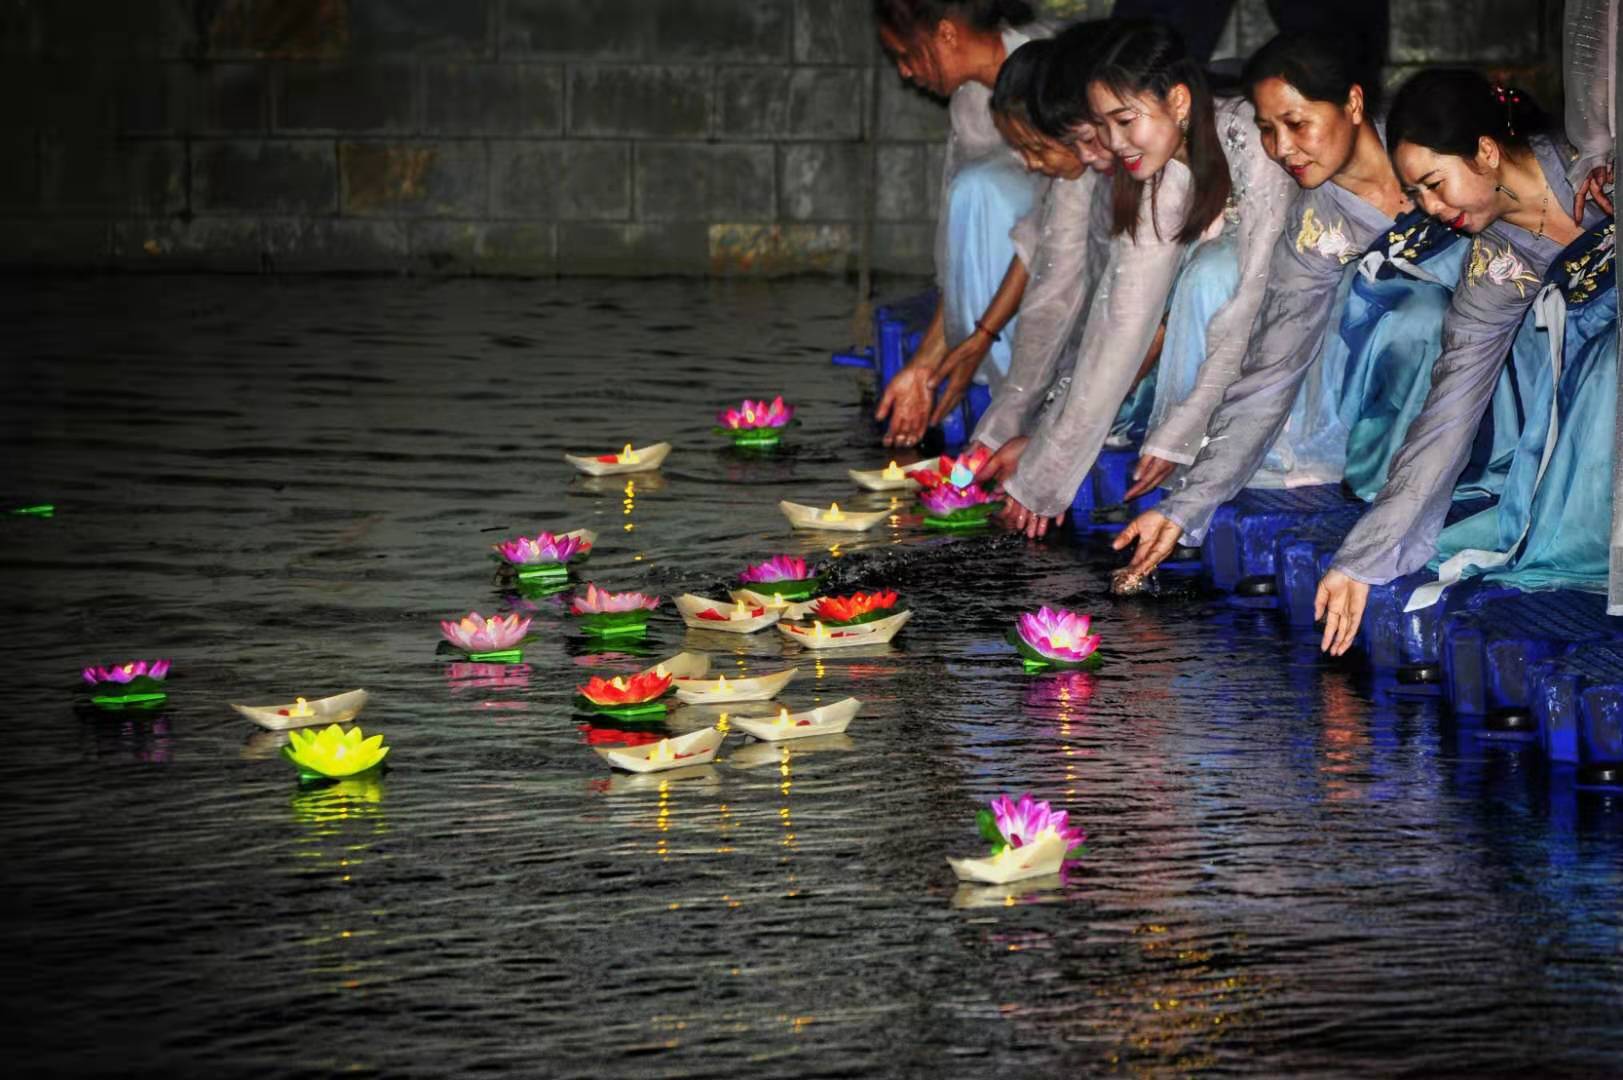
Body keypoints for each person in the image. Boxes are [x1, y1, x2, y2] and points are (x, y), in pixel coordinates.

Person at [1111, 33, 1458, 579]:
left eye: (1297, 124)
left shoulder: (1437, 156)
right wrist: (1184, 507)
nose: (1282, 148)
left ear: (1354, 104)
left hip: (1500, 382)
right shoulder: (1314, 226)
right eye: (1268, 130)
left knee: (1418, 315)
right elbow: (1270, 372)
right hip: (1408, 425)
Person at [1313, 68, 1606, 655]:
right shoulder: (1498, 261)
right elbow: (1448, 411)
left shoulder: (1598, 166)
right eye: (1416, 194)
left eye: (1434, 184)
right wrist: (1364, 555)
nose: (1428, 206)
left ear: (1487, 152)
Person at [971, 18, 1296, 538]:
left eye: (1124, 121)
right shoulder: (1160, 172)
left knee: (1212, 275)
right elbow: (1120, 321)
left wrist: (1181, 431)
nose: (1113, 144)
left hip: (1300, 329)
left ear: (1181, 103)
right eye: (1104, 126)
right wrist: (1046, 462)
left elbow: (1254, 299)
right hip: (1224, 356)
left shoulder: (1250, 142)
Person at [871, 0, 1049, 448]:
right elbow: (961, 256)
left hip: (1086, 276)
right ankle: (1003, 392)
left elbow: (1058, 229)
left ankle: (1028, 399)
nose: (907, 74)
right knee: (977, 191)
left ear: (947, 34)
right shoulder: (971, 103)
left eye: (907, 56)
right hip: (1024, 281)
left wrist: (983, 335)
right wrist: (924, 366)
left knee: (982, 189)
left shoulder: (1050, 73)